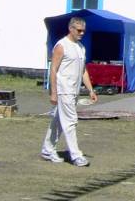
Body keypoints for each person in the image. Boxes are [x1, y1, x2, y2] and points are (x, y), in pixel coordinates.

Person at [41, 17, 97, 167]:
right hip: (63, 90)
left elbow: (83, 70)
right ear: (70, 29)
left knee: (58, 121)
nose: (82, 33)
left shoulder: (81, 47)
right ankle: (76, 155)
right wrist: (53, 92)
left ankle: (47, 150)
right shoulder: (61, 46)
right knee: (71, 121)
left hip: (74, 91)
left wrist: (91, 90)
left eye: (83, 31)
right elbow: (53, 69)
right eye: (79, 30)